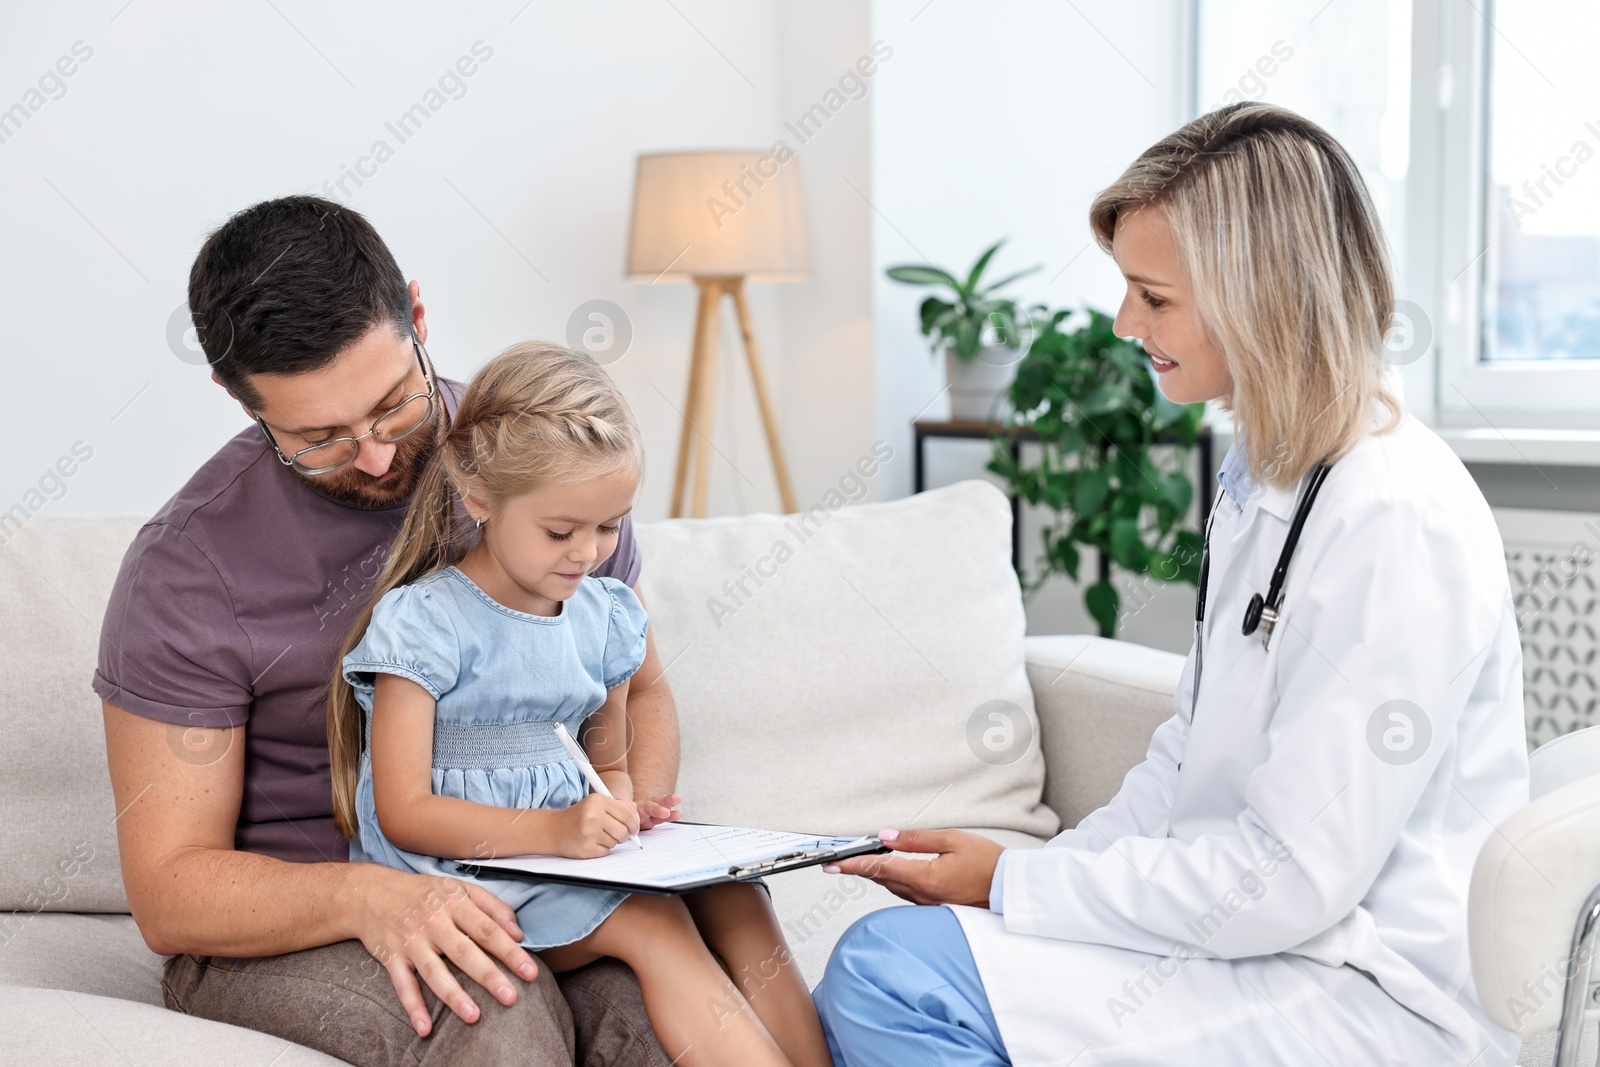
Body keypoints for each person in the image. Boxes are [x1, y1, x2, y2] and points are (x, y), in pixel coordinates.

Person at [815, 103, 1530, 1066]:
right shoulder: (1268, 470)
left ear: (1260, 297)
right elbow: (1184, 764)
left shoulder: (1394, 516)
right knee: (881, 967)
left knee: (888, 976)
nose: (1123, 324)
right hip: (1253, 944)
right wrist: (1031, 870)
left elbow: (1288, 876)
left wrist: (1015, 891)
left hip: (1369, 990)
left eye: (1153, 297)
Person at [96, 196, 679, 1064]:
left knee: (665, 999)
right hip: (292, 930)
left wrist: (623, 836)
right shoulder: (188, 571)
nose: (373, 456)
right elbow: (172, 890)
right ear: (233, 394)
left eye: (393, 405)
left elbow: (638, 693)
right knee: (490, 1009)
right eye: (319, 438)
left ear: (415, 312)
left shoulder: (546, 476)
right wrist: (368, 897)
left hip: (527, 876)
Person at [329, 340, 831, 1067]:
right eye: (561, 531)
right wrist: (559, 830)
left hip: (570, 854)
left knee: (738, 897)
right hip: (456, 870)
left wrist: (623, 799)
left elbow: (610, 746)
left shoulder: (605, 612)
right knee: (654, 926)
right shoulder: (424, 621)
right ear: (479, 500)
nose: (588, 552)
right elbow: (404, 811)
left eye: (610, 525)